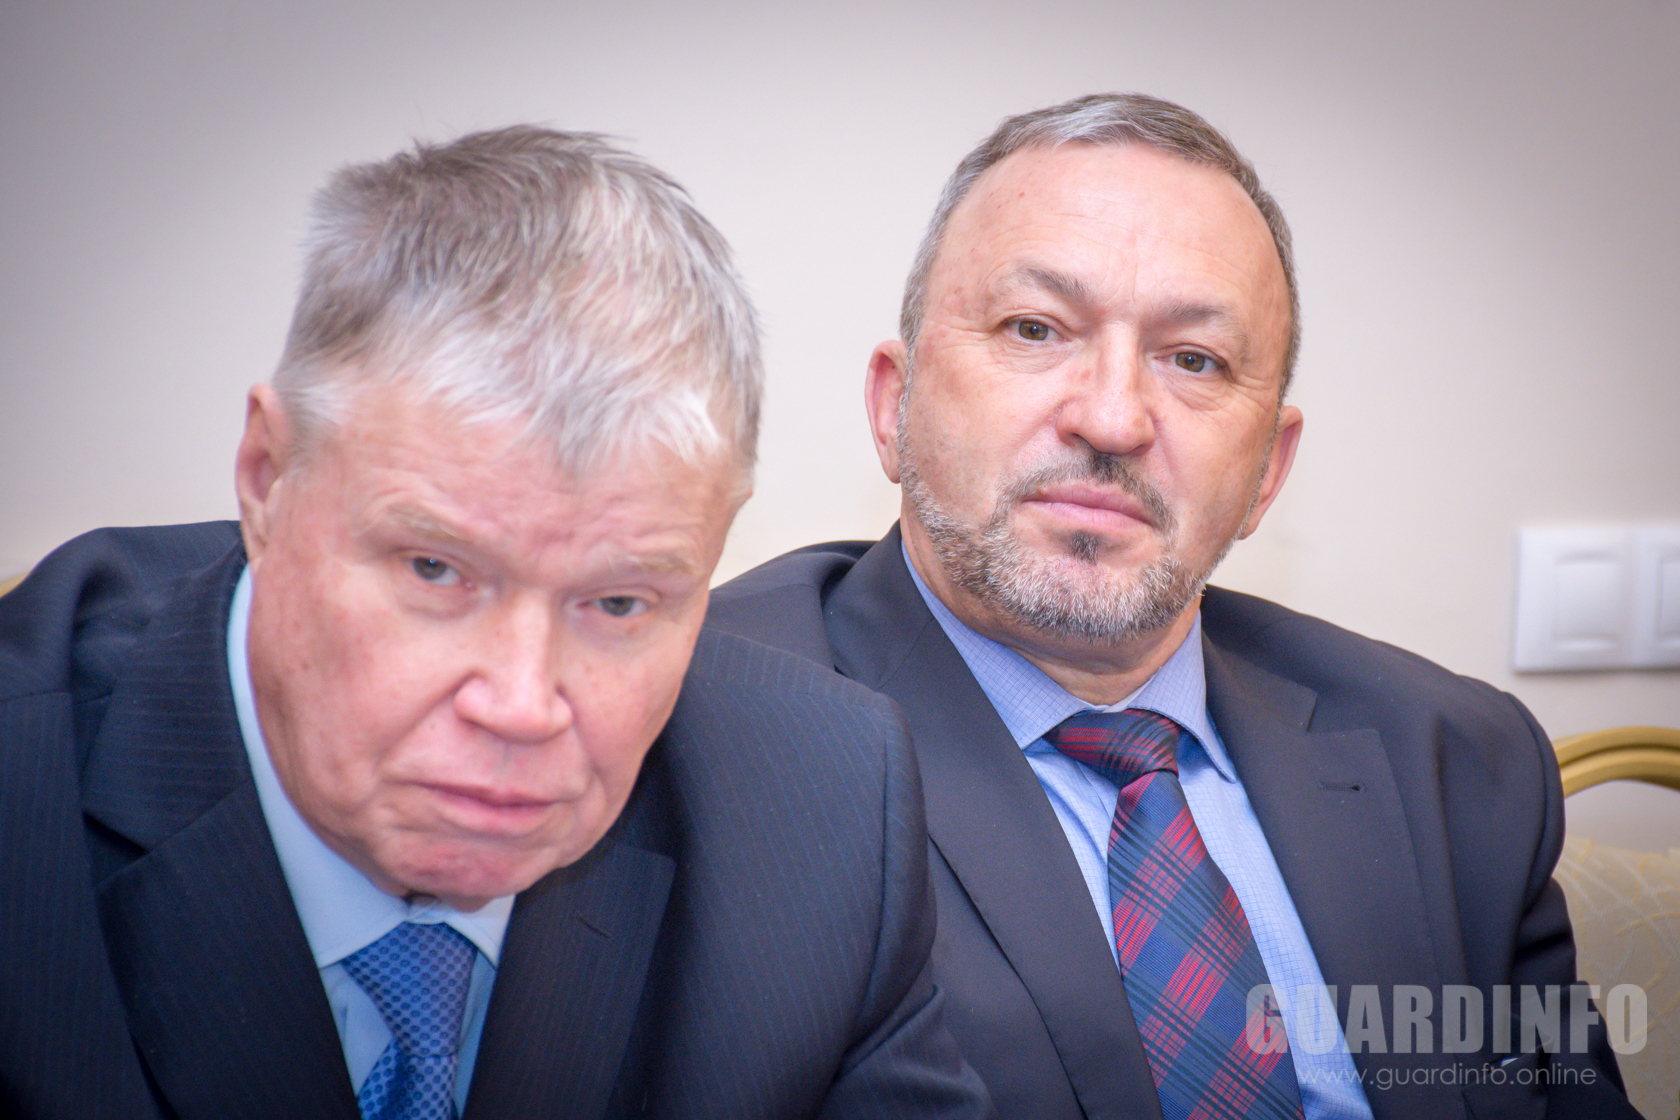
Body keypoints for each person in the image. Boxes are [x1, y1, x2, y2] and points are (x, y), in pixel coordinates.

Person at [0, 126, 991, 1119]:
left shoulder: (821, 817)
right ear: (267, 478)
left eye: (618, 602)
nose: (521, 704)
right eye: (435, 571)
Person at [709, 94, 1637, 1120]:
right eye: (1035, 329)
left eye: (1194, 360)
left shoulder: (1457, 759)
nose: (1112, 418)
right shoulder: (698, 737)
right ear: (895, 406)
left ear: (1267, 471)